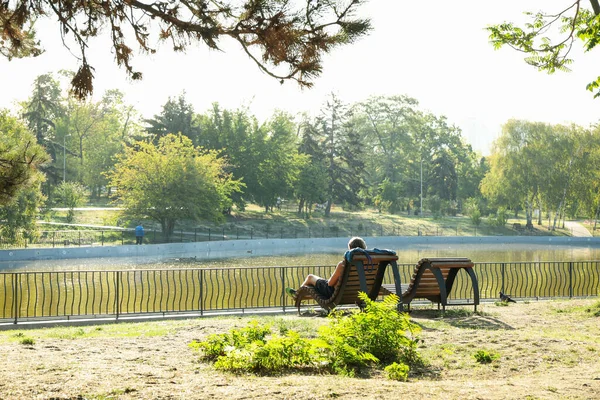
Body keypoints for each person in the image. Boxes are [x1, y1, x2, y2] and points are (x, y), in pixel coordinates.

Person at [285, 236, 367, 300]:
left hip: (335, 293)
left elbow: (330, 284)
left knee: (310, 277)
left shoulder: (343, 265)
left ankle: (297, 296)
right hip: (358, 293)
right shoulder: (369, 265)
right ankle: (297, 295)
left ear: (349, 248)